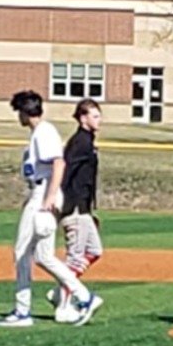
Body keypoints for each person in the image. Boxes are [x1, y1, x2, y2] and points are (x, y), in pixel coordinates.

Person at [0, 89, 101, 328]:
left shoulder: (44, 131)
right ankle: (84, 297)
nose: (18, 117)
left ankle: (23, 312)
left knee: (22, 252)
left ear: (24, 111)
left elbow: (58, 163)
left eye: (19, 112)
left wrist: (48, 198)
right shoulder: (40, 132)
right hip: (40, 192)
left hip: (44, 194)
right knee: (43, 256)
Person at [61, 99, 104, 278]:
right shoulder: (80, 142)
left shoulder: (87, 141)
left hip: (83, 208)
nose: (99, 120)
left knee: (95, 250)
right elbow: (66, 171)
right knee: (75, 258)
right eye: (94, 116)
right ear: (82, 118)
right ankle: (64, 302)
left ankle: (59, 292)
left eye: (99, 116)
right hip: (75, 207)